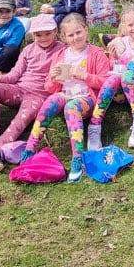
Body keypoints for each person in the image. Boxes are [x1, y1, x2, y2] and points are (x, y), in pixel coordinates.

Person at [19, 14, 110, 183]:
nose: (76, 38)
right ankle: (30, 148)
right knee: (51, 100)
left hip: (86, 98)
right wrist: (53, 78)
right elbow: (50, 88)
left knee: (71, 107)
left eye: (78, 32)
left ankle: (78, 157)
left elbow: (106, 82)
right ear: (64, 37)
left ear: (86, 30)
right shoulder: (61, 54)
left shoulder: (96, 53)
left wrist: (85, 76)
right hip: (66, 93)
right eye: (71, 35)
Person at [0, 14, 64, 171]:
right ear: (32, 35)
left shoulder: (63, 50)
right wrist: (0, 79)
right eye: (38, 35)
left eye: (47, 33)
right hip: (20, 88)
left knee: (23, 117)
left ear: (55, 30)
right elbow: (15, 74)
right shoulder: (28, 49)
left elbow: (61, 81)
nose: (43, 38)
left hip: (39, 96)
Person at [87, 7, 134, 150]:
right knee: (111, 79)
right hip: (121, 94)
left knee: (128, 75)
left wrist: (132, 64)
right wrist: (113, 58)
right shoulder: (120, 42)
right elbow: (112, 67)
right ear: (124, 27)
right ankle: (95, 125)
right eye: (130, 25)